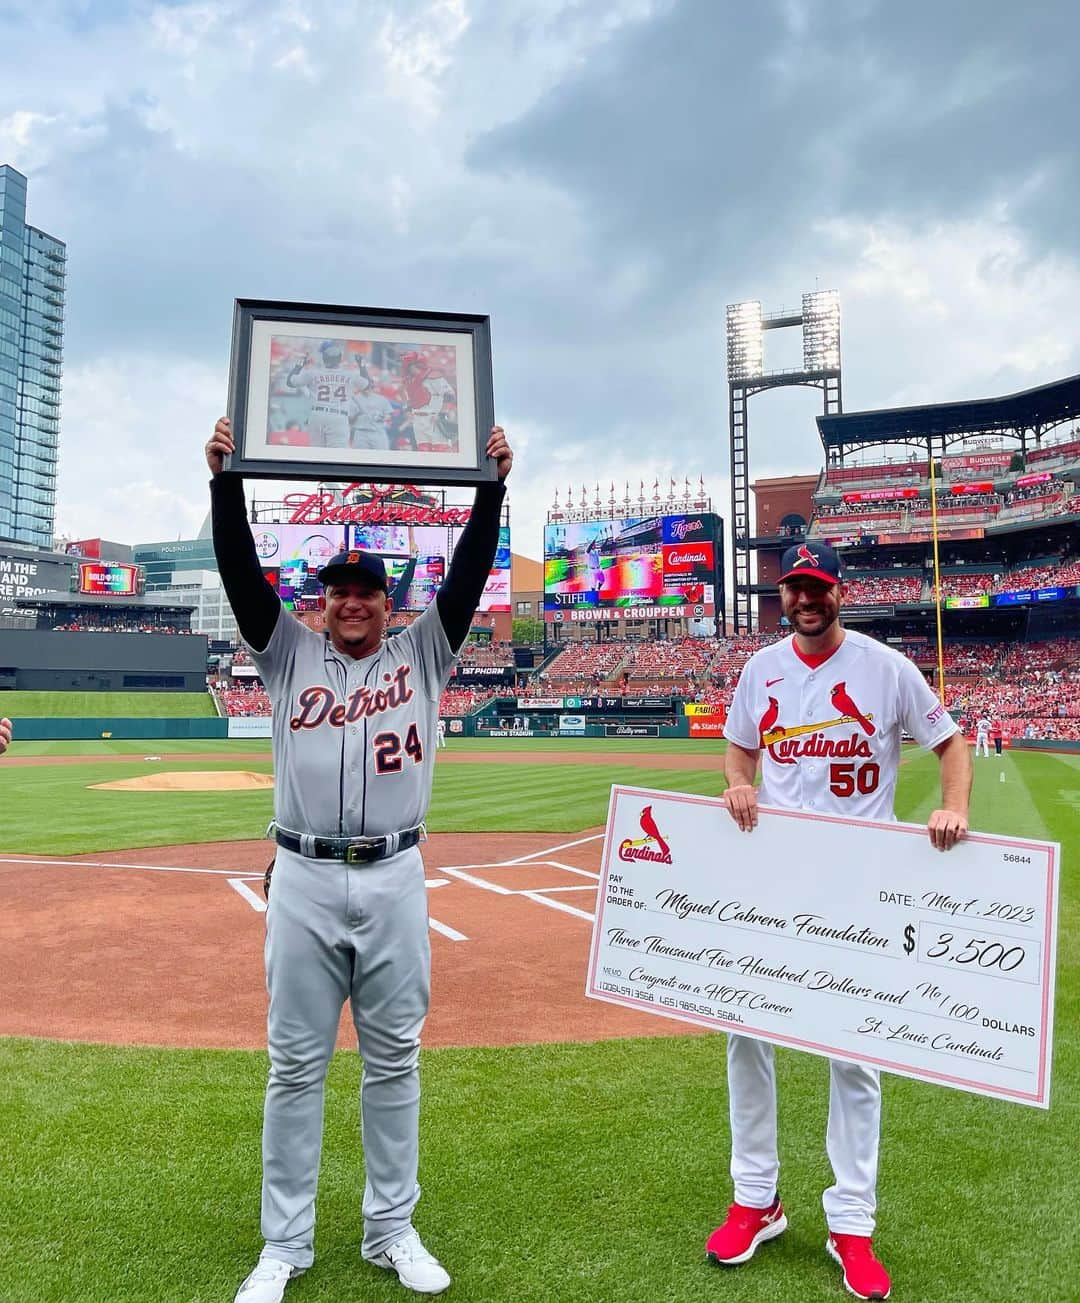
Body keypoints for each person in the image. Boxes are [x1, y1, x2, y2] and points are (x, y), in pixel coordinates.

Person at [206, 415, 513, 1303]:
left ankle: (391, 1230)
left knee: (395, 1061)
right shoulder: (283, 652)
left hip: (394, 875)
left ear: (388, 602)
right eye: (338, 590)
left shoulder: (425, 652)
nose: (352, 601)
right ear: (319, 600)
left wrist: (491, 488)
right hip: (301, 876)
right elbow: (237, 571)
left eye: (367, 591)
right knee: (294, 1064)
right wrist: (225, 481)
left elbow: (468, 571)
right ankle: (285, 1244)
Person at [708, 541, 971, 1303]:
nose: (807, 599)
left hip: (860, 883)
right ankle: (757, 1200)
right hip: (774, 879)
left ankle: (851, 1222)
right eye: (796, 588)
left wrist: (952, 804)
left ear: (838, 592)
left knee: (855, 1053)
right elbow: (738, 748)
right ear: (784, 595)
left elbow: (950, 742)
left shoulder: (885, 667)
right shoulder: (761, 669)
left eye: (818, 587)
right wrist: (737, 784)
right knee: (745, 1032)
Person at [285, 341, 370, 449]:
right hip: (338, 417)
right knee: (336, 457)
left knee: (316, 455)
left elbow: (290, 382)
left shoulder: (313, 373)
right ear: (340, 360)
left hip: (317, 416)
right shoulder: (349, 374)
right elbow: (367, 385)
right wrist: (362, 365)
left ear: (324, 359)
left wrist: (299, 364)